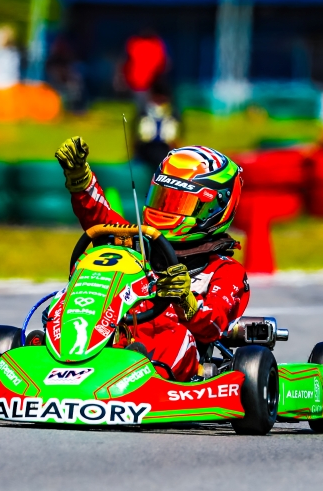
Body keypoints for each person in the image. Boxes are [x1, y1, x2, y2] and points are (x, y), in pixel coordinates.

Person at [55, 138, 250, 382]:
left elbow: (213, 325)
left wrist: (185, 299)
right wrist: (81, 181)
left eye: (179, 203)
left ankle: (139, 373)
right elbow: (101, 219)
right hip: (115, 335)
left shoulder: (224, 271)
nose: (165, 209)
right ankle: (56, 355)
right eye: (162, 198)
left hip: (169, 358)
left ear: (212, 209)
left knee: (176, 338)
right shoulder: (140, 243)